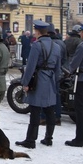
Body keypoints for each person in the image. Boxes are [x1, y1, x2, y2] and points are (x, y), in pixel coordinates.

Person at [16, 20, 61, 148]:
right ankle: (48, 138)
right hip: (51, 80)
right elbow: (58, 68)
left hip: (39, 80)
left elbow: (30, 66)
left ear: (37, 31)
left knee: (35, 110)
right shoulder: (56, 46)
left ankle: (30, 140)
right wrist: (55, 82)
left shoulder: (37, 45)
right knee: (50, 110)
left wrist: (25, 82)